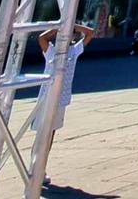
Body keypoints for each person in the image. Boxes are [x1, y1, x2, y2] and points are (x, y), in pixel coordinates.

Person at [31, 23, 94, 183]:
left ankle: (41, 168)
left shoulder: (74, 51)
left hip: (61, 99)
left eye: (70, 35)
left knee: (50, 134)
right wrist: (59, 27)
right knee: (41, 134)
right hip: (47, 97)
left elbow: (90, 33)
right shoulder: (51, 51)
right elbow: (41, 38)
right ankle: (34, 167)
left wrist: (73, 25)